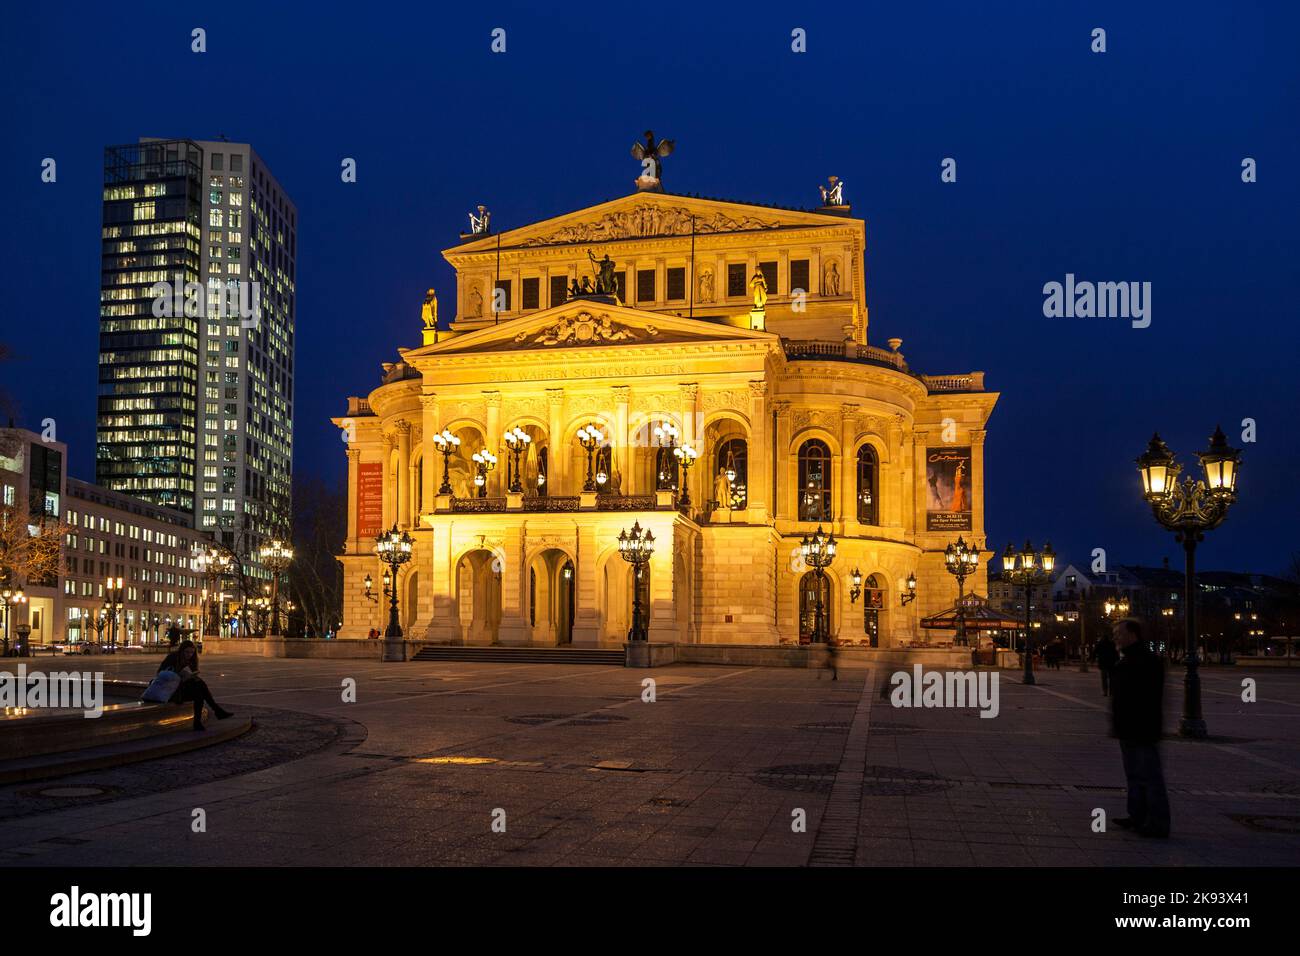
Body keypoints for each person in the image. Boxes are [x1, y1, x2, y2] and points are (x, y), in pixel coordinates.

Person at [1110, 619, 1170, 838]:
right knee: (1134, 775)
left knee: (1150, 777)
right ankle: (1137, 815)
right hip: (1128, 727)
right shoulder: (1129, 659)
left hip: (1142, 728)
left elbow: (1146, 698)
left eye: (1119, 633)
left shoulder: (1145, 660)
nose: (1115, 636)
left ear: (1133, 634)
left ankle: (1157, 822)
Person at [159, 640, 233, 730]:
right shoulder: (173, 657)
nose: (189, 655)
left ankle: (202, 720)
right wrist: (178, 675)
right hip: (173, 691)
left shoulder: (192, 660)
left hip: (184, 688)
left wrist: (191, 677)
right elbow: (161, 674)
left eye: (191, 652)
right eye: (187, 652)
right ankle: (215, 711)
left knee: (199, 687)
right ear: (181, 651)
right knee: (200, 688)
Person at [1094, 631, 1119, 696]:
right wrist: (1117, 660)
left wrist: (1093, 659)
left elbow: (1095, 652)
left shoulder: (1100, 644)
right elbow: (1115, 653)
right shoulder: (1112, 644)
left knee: (1104, 679)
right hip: (1111, 663)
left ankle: (1105, 691)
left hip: (1103, 663)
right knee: (1111, 679)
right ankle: (1111, 691)